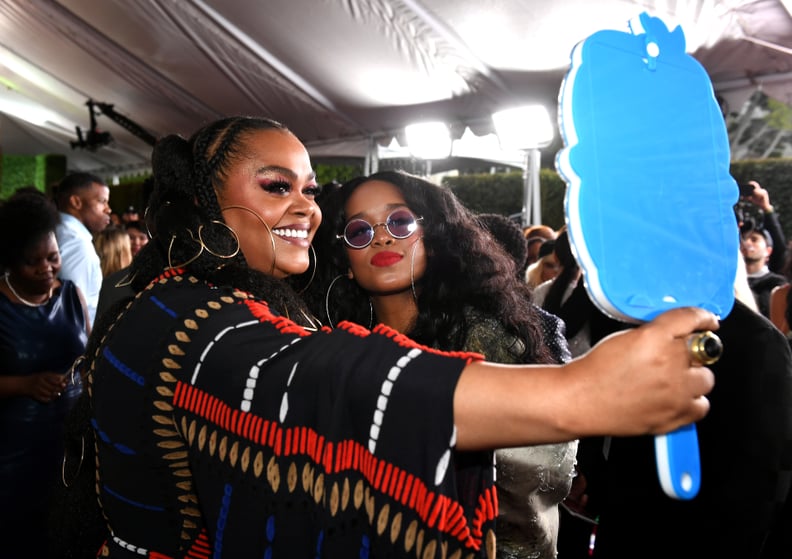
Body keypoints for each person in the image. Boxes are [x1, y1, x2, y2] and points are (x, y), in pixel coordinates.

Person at [51, 116, 716, 559]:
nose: (307, 207)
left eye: (310, 190)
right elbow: (317, 379)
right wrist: (580, 393)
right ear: (201, 202)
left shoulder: (207, 297)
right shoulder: (188, 314)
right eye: (275, 186)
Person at [306, 172, 577, 558]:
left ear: (434, 237)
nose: (381, 237)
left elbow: (536, 476)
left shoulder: (488, 340)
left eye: (399, 222)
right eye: (359, 230)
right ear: (345, 261)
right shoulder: (337, 348)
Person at [0, 188, 89, 558]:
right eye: (32, 262)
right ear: (10, 261)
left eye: (53, 258)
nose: (47, 269)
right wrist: (25, 384)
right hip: (13, 450)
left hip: (70, 443)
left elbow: (87, 357)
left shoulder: (72, 296)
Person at [54, 172, 112, 326]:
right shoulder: (76, 243)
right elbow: (72, 310)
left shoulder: (57, 230)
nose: (108, 209)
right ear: (76, 202)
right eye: (102, 201)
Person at [741, 225, 787, 318]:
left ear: (768, 251)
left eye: (754, 239)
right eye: (744, 239)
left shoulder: (777, 284)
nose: (747, 243)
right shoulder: (728, 281)